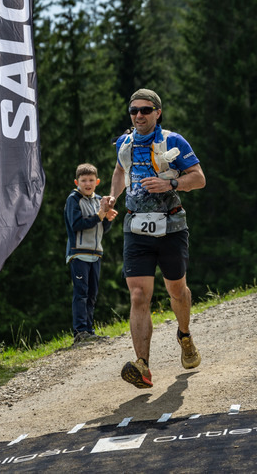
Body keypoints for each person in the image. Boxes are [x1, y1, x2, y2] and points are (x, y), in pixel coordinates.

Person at [105, 88, 206, 389]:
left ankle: (184, 335)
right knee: (138, 296)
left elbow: (199, 178)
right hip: (135, 227)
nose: (138, 115)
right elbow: (119, 171)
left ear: (157, 113)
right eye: (133, 110)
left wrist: (171, 183)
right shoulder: (124, 142)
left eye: (145, 110)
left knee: (177, 291)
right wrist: (112, 197)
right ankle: (143, 366)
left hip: (172, 225)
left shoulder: (173, 141)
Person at [63, 162, 117, 345]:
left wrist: (107, 218)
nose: (87, 184)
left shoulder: (99, 200)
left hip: (96, 254)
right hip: (79, 254)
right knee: (81, 293)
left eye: (91, 180)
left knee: (92, 293)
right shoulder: (73, 199)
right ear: (76, 181)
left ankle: (89, 330)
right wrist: (99, 216)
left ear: (97, 181)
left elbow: (102, 228)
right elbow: (76, 224)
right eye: (83, 180)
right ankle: (80, 332)